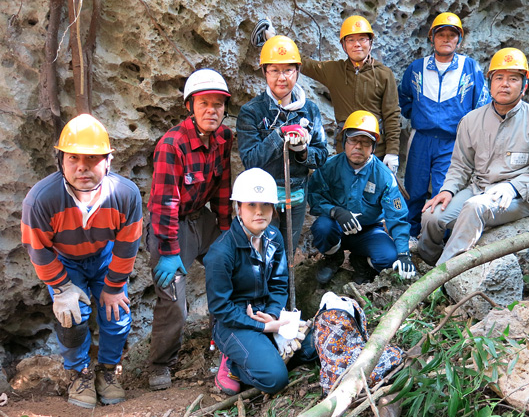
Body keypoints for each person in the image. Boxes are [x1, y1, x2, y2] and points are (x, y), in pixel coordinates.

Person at [21, 114, 143, 408]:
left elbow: (127, 245)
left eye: (92, 158)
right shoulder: (41, 200)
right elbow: (37, 248)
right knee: (71, 319)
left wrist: (113, 287)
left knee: (117, 315)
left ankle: (108, 371)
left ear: (108, 161)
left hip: (104, 257)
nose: (82, 167)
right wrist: (61, 288)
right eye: (73, 158)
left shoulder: (125, 195)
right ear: (60, 160)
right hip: (65, 262)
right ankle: (80, 373)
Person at [418, 48, 529, 266]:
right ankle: (427, 262)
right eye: (499, 77)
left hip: (519, 197)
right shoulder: (471, 120)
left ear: (524, 85)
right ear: (490, 83)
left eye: (513, 78)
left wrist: (513, 187)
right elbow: (460, 165)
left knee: (474, 208)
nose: (504, 84)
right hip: (478, 188)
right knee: (431, 216)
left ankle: (442, 274)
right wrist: (448, 190)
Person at [146, 68, 233, 390]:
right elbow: (164, 203)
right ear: (190, 107)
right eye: (204, 103)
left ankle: (225, 348)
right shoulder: (172, 145)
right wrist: (168, 252)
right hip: (170, 226)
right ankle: (159, 365)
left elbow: (223, 185)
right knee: (174, 302)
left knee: (232, 272)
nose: (212, 110)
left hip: (203, 219)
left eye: (218, 104)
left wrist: (226, 232)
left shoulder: (224, 137)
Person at [205, 168, 316, 395]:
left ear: (273, 208)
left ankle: (262, 354)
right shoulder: (221, 252)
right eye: (251, 205)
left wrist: (274, 314)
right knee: (275, 379)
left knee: (314, 347)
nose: (259, 212)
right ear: (238, 208)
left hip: (267, 314)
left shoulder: (273, 238)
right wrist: (263, 327)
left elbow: (279, 282)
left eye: (265, 205)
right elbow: (220, 307)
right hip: (233, 323)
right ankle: (234, 363)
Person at [398, 12, 491, 237]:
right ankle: (411, 235)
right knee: (414, 188)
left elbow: (482, 104)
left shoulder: (470, 67)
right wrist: (419, 116)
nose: (446, 39)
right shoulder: (417, 68)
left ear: (459, 39)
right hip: (421, 138)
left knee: (444, 190)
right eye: (441, 34)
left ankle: (441, 239)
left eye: (452, 35)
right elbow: (404, 98)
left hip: (453, 141)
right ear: (432, 38)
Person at [236, 35, 328, 253]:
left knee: (287, 255)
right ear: (264, 72)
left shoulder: (310, 110)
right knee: (263, 256)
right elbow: (251, 160)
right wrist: (278, 136)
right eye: (274, 70)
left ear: (297, 71)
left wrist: (304, 152)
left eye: (288, 70)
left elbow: (322, 155)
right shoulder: (252, 112)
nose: (281, 77)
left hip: (295, 196)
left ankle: (285, 288)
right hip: (262, 198)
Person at [308, 110, 416, 284]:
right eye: (353, 140)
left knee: (389, 258)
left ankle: (361, 261)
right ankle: (332, 258)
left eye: (365, 142)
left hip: (368, 232)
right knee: (322, 228)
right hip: (337, 226)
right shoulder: (330, 167)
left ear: (373, 147)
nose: (358, 146)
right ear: (344, 141)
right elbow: (314, 196)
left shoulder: (384, 176)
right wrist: (335, 211)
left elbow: (398, 216)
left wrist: (404, 254)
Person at [300, 15, 401, 170]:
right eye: (351, 40)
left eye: (362, 39)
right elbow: (303, 63)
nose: (357, 45)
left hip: (375, 149)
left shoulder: (383, 74)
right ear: (343, 45)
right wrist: (272, 39)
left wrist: (392, 152)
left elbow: (392, 115)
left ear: (371, 43)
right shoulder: (334, 70)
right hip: (346, 147)